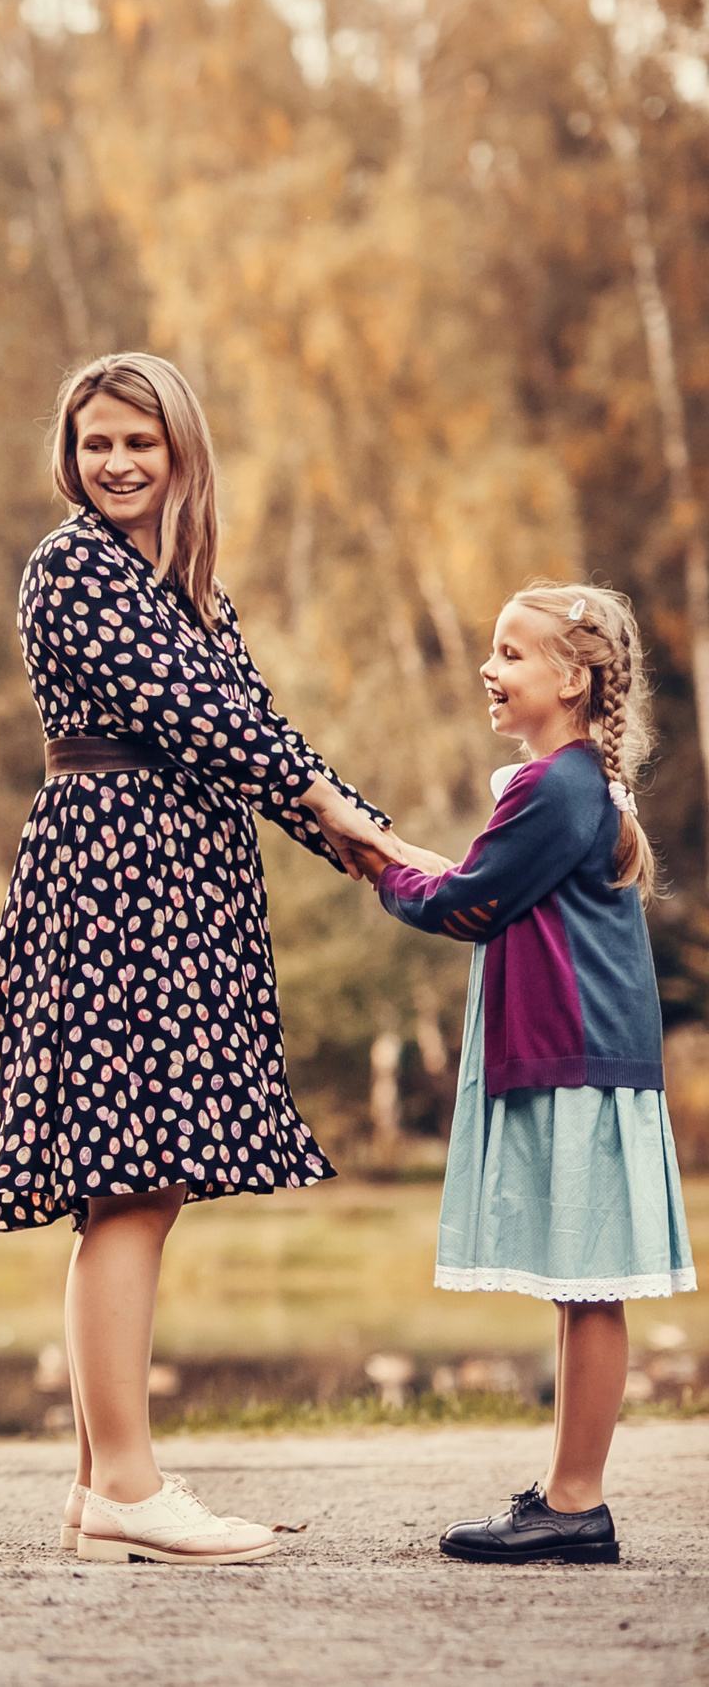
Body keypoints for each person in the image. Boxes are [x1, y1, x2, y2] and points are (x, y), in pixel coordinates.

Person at [0, 353, 411, 1566]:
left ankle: (99, 1486)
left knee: (137, 1180)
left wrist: (371, 848)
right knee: (133, 1176)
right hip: (116, 881)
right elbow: (203, 724)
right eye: (95, 442)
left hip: (183, 883)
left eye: (137, 443)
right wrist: (349, 817)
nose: (114, 463)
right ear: (70, 454)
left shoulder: (191, 588)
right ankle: (128, 1485)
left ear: (179, 453)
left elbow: (254, 733)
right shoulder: (71, 568)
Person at [365, 581, 695, 1566]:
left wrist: (377, 864)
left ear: (572, 679)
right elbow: (482, 881)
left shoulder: (556, 789)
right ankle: (565, 1493)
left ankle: (576, 1502)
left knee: (590, 1286)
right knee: (581, 1286)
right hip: (587, 1055)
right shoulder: (570, 786)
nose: (488, 668)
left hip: (579, 1058)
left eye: (510, 653)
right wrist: (389, 849)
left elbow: (463, 903)